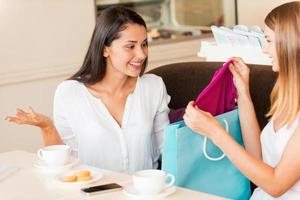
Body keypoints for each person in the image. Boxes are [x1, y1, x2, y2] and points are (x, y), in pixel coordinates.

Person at [5, 6, 170, 174]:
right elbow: (66, 163)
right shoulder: (69, 93)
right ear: (105, 49)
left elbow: (167, 151)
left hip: (145, 193)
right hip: (93, 192)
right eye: (130, 46)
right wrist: (47, 127)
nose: (142, 54)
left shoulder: (153, 87)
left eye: (144, 44)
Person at [183, 1, 300, 199]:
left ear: (290, 43)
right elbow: (258, 161)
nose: (265, 50)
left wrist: (215, 132)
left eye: (269, 41)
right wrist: (243, 93)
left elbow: (276, 184)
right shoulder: (288, 97)